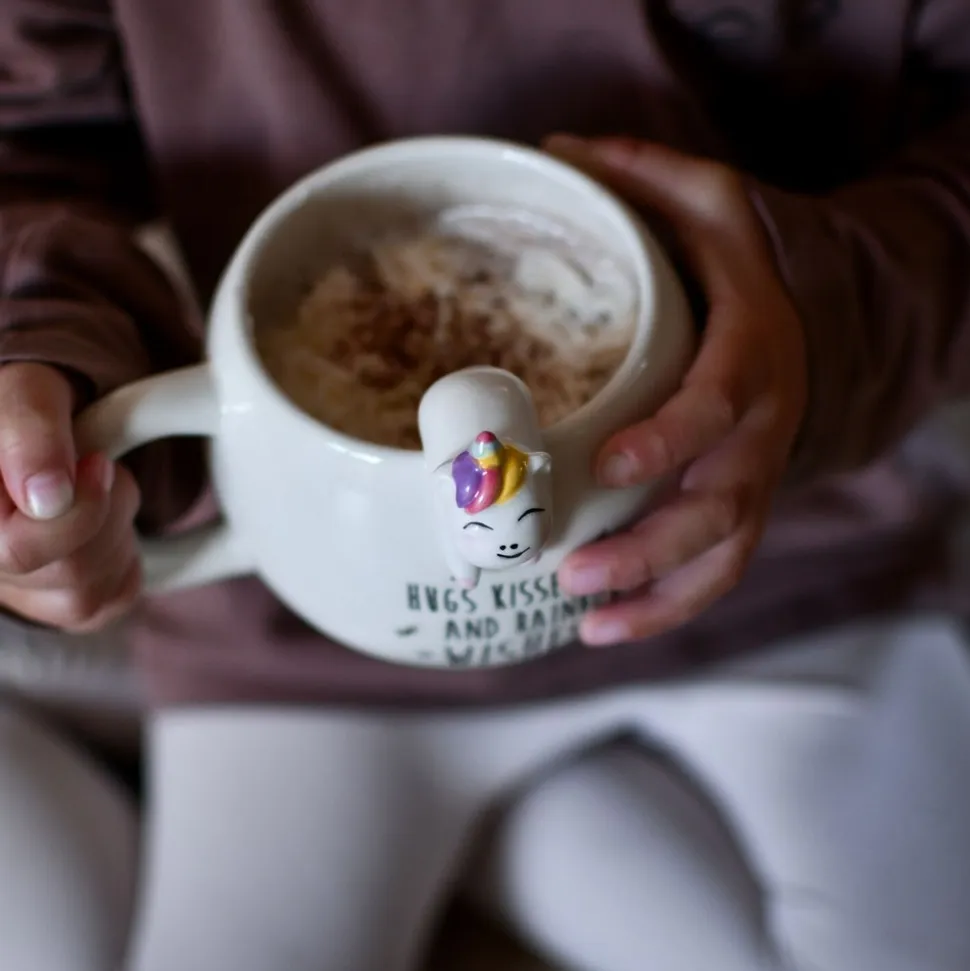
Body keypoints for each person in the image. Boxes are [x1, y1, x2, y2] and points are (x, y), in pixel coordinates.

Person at [2, 1, 970, 969]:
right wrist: (47, 371)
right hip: (306, 634)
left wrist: (828, 320)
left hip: (786, 549)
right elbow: (30, 144)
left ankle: (538, 833)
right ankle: (551, 830)